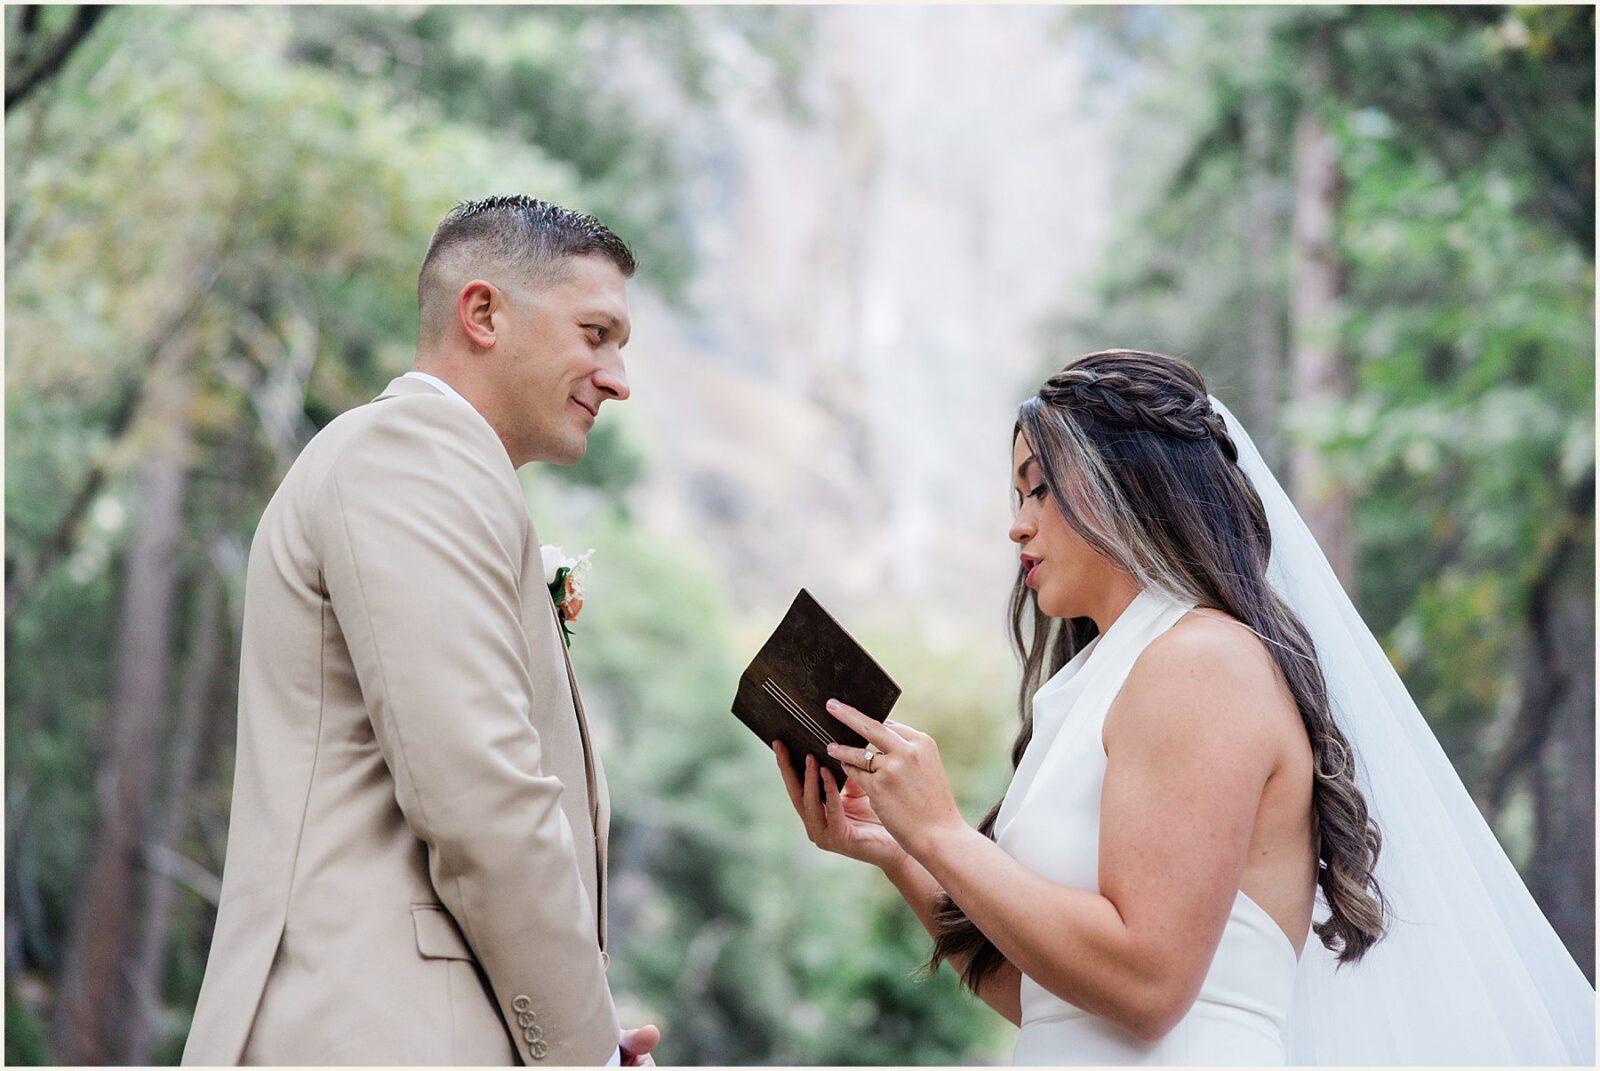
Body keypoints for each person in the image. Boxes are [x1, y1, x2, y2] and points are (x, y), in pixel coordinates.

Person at [777, 349, 1594, 1064]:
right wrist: (900, 850)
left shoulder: (1201, 661)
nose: (1016, 528)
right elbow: (1051, 1002)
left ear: (1122, 486)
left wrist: (946, 831)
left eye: (1038, 491)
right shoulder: (1106, 677)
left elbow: (1147, 982)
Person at [184, 196, 659, 1066]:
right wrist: (583, 1053)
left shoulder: (445, 472)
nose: (619, 377)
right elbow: (484, 801)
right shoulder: (411, 453)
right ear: (483, 313)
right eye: (596, 334)